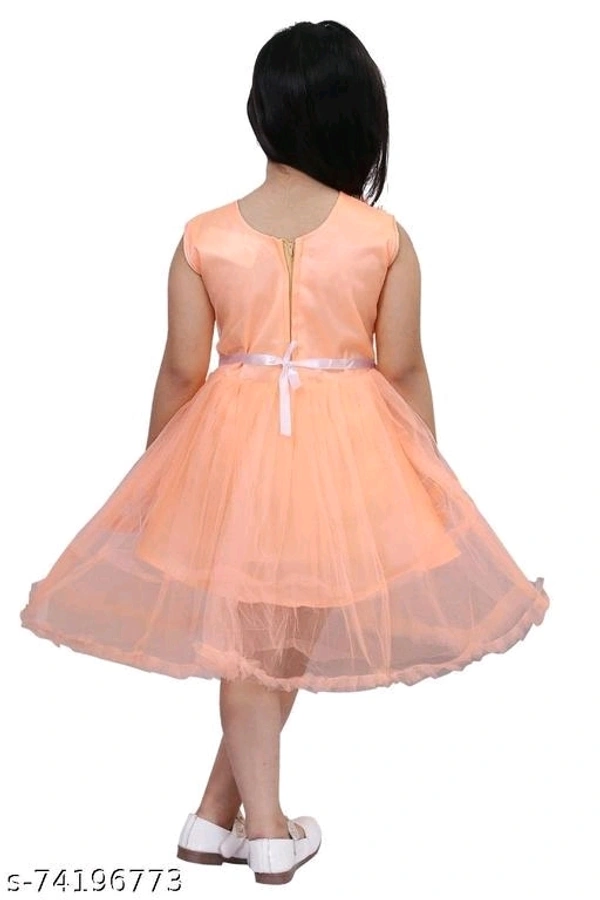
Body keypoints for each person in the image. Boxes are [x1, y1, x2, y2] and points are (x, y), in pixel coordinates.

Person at [19, 19, 550, 886]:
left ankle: (213, 816)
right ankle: (268, 831)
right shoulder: (383, 237)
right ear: (359, 117)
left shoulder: (203, 235)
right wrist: (426, 475)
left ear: (261, 112)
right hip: (347, 453)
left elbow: (182, 369)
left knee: (268, 637)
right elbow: (402, 366)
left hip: (231, 452)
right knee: (267, 640)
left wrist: (158, 476)